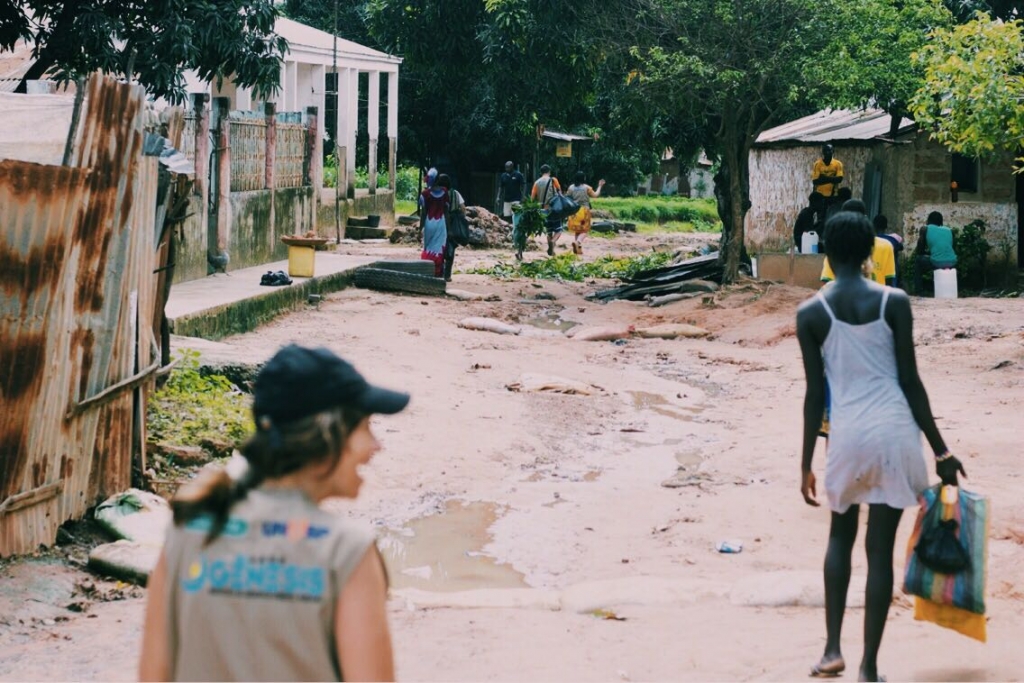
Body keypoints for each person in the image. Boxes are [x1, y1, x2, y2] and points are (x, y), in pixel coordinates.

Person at [139, 344, 409, 682]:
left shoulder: (188, 529)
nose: (376, 445)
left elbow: (153, 675)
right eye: (366, 427)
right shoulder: (346, 551)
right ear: (327, 434)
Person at [796, 211, 965, 683]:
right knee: (879, 552)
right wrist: (941, 450)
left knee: (839, 538)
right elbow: (910, 381)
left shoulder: (811, 313)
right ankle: (869, 667)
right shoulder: (895, 302)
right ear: (872, 250)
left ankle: (832, 650)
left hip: (847, 438)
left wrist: (806, 462)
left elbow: (814, 396)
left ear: (826, 252)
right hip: (894, 434)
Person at [820, 199, 896, 287]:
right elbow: (889, 282)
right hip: (876, 299)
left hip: (844, 299)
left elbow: (827, 283)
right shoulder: (886, 246)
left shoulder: (837, 246)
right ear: (865, 218)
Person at [913, 211, 957, 295]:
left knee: (918, 260)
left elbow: (920, 250)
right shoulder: (950, 230)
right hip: (952, 261)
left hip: (936, 262)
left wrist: (928, 253)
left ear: (928, 220)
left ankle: (919, 292)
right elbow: (952, 248)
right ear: (941, 221)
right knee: (937, 258)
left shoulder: (925, 229)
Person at [565, 172, 605, 255]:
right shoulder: (586, 188)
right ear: (583, 178)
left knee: (577, 230)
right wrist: (600, 186)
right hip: (584, 211)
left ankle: (578, 249)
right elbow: (595, 195)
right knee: (585, 230)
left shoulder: (571, 187)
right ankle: (578, 242)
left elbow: (567, 198)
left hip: (574, 211)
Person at [419, 167, 449, 277]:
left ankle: (427, 269)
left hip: (429, 223)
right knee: (439, 247)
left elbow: (423, 214)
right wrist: (449, 229)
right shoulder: (445, 192)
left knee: (428, 247)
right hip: (441, 223)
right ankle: (438, 271)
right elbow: (446, 212)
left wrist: (420, 228)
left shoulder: (425, 194)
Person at [438, 173, 465, 283]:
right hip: (453, 222)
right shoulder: (455, 193)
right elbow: (463, 208)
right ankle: (447, 274)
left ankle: (439, 272)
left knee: (439, 247)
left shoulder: (436, 193)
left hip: (439, 221)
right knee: (451, 247)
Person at [531, 164, 564, 256]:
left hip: (542, 210)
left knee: (549, 231)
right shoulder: (553, 180)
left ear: (541, 172)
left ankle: (551, 250)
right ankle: (553, 241)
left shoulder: (537, 183)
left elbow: (532, 198)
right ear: (549, 171)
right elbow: (560, 193)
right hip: (553, 209)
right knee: (559, 230)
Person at [873, 215, 904, 288]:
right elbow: (901, 247)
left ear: (873, 226)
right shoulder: (892, 240)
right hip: (891, 273)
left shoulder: (870, 240)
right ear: (886, 226)